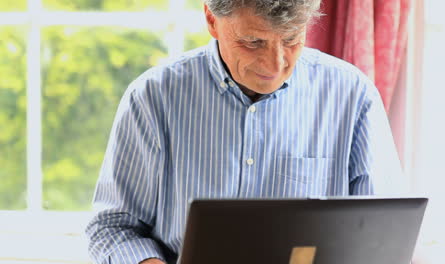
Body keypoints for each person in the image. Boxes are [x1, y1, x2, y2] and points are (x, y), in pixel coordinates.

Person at [86, 0, 405, 263]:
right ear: (212, 20)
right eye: (254, 42)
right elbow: (112, 228)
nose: (276, 63)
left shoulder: (353, 96)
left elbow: (383, 237)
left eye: (292, 39)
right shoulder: (152, 98)